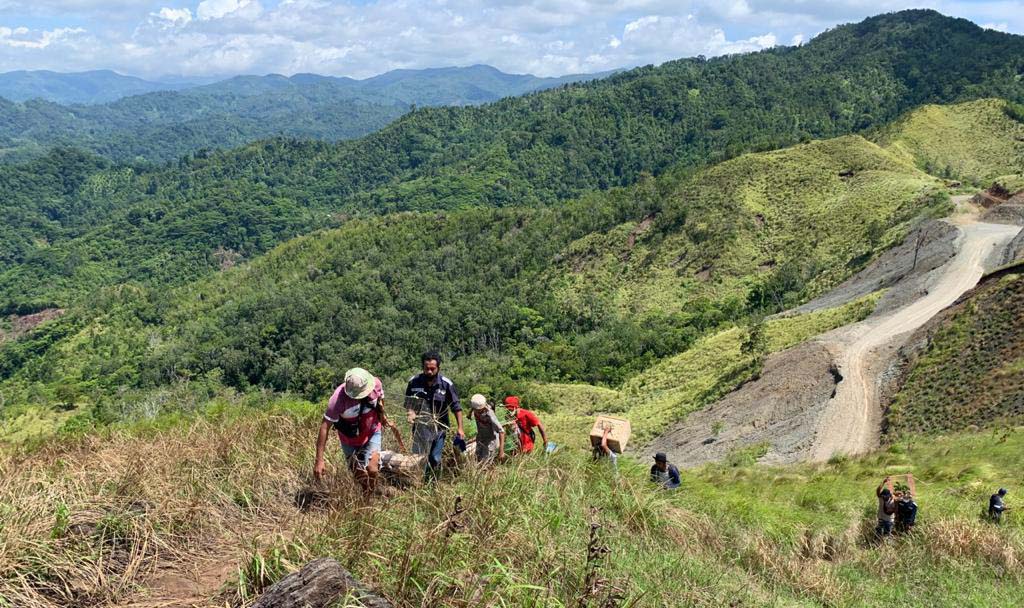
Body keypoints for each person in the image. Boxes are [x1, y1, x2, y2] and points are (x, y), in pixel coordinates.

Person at [314, 368, 403, 496]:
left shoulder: (376, 384)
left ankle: (370, 494)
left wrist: (382, 417)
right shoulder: (337, 401)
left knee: (372, 469)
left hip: (372, 431)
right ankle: (365, 493)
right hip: (349, 439)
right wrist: (319, 460)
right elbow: (324, 427)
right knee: (358, 473)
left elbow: (380, 399)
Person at [405, 351, 463, 478]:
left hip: (439, 429)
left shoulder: (446, 384)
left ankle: (432, 481)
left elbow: (456, 407)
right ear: (423, 367)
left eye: (433, 369)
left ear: (438, 368)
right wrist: (411, 412)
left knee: (435, 457)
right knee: (419, 458)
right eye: (427, 369)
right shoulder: (414, 382)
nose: (429, 372)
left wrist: (460, 428)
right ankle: (418, 482)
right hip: (420, 429)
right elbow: (409, 402)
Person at [469, 394, 505, 465]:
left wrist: (501, 451)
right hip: (480, 439)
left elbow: (501, 431)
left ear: (482, 408)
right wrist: (469, 413)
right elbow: (473, 408)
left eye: (477, 410)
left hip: (490, 441)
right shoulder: (475, 408)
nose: (475, 411)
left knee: (486, 464)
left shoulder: (489, 414)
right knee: (477, 459)